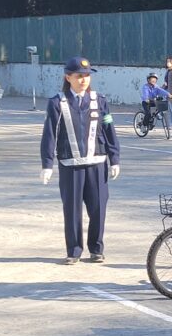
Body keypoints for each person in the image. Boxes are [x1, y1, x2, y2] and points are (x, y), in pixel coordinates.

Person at [40, 57, 121, 264]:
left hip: (97, 163)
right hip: (71, 166)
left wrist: (115, 158)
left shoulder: (99, 100)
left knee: (98, 209)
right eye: (79, 76)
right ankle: (74, 251)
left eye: (87, 75)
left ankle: (96, 249)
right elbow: (50, 135)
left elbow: (109, 130)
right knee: (72, 210)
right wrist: (47, 164)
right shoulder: (57, 102)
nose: (84, 79)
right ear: (68, 77)